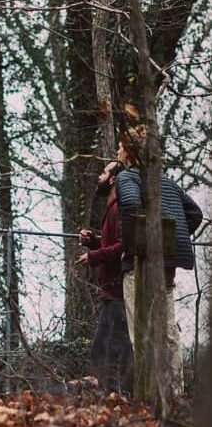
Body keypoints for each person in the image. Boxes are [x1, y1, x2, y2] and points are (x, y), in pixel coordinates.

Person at [114, 126, 205, 395]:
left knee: (139, 329)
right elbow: (195, 214)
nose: (118, 151)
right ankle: (175, 391)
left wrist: (133, 244)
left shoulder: (127, 176)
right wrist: (172, 237)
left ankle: (147, 391)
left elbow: (130, 204)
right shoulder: (166, 181)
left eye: (120, 146)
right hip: (169, 263)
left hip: (141, 265)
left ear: (128, 151)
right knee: (167, 331)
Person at [77, 160, 132, 394]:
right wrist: (94, 242)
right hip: (110, 292)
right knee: (104, 348)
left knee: (113, 348)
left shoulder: (119, 208)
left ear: (112, 180)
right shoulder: (112, 208)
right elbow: (113, 245)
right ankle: (112, 397)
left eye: (103, 172)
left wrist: (94, 256)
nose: (99, 176)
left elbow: (122, 248)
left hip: (118, 292)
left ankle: (120, 397)